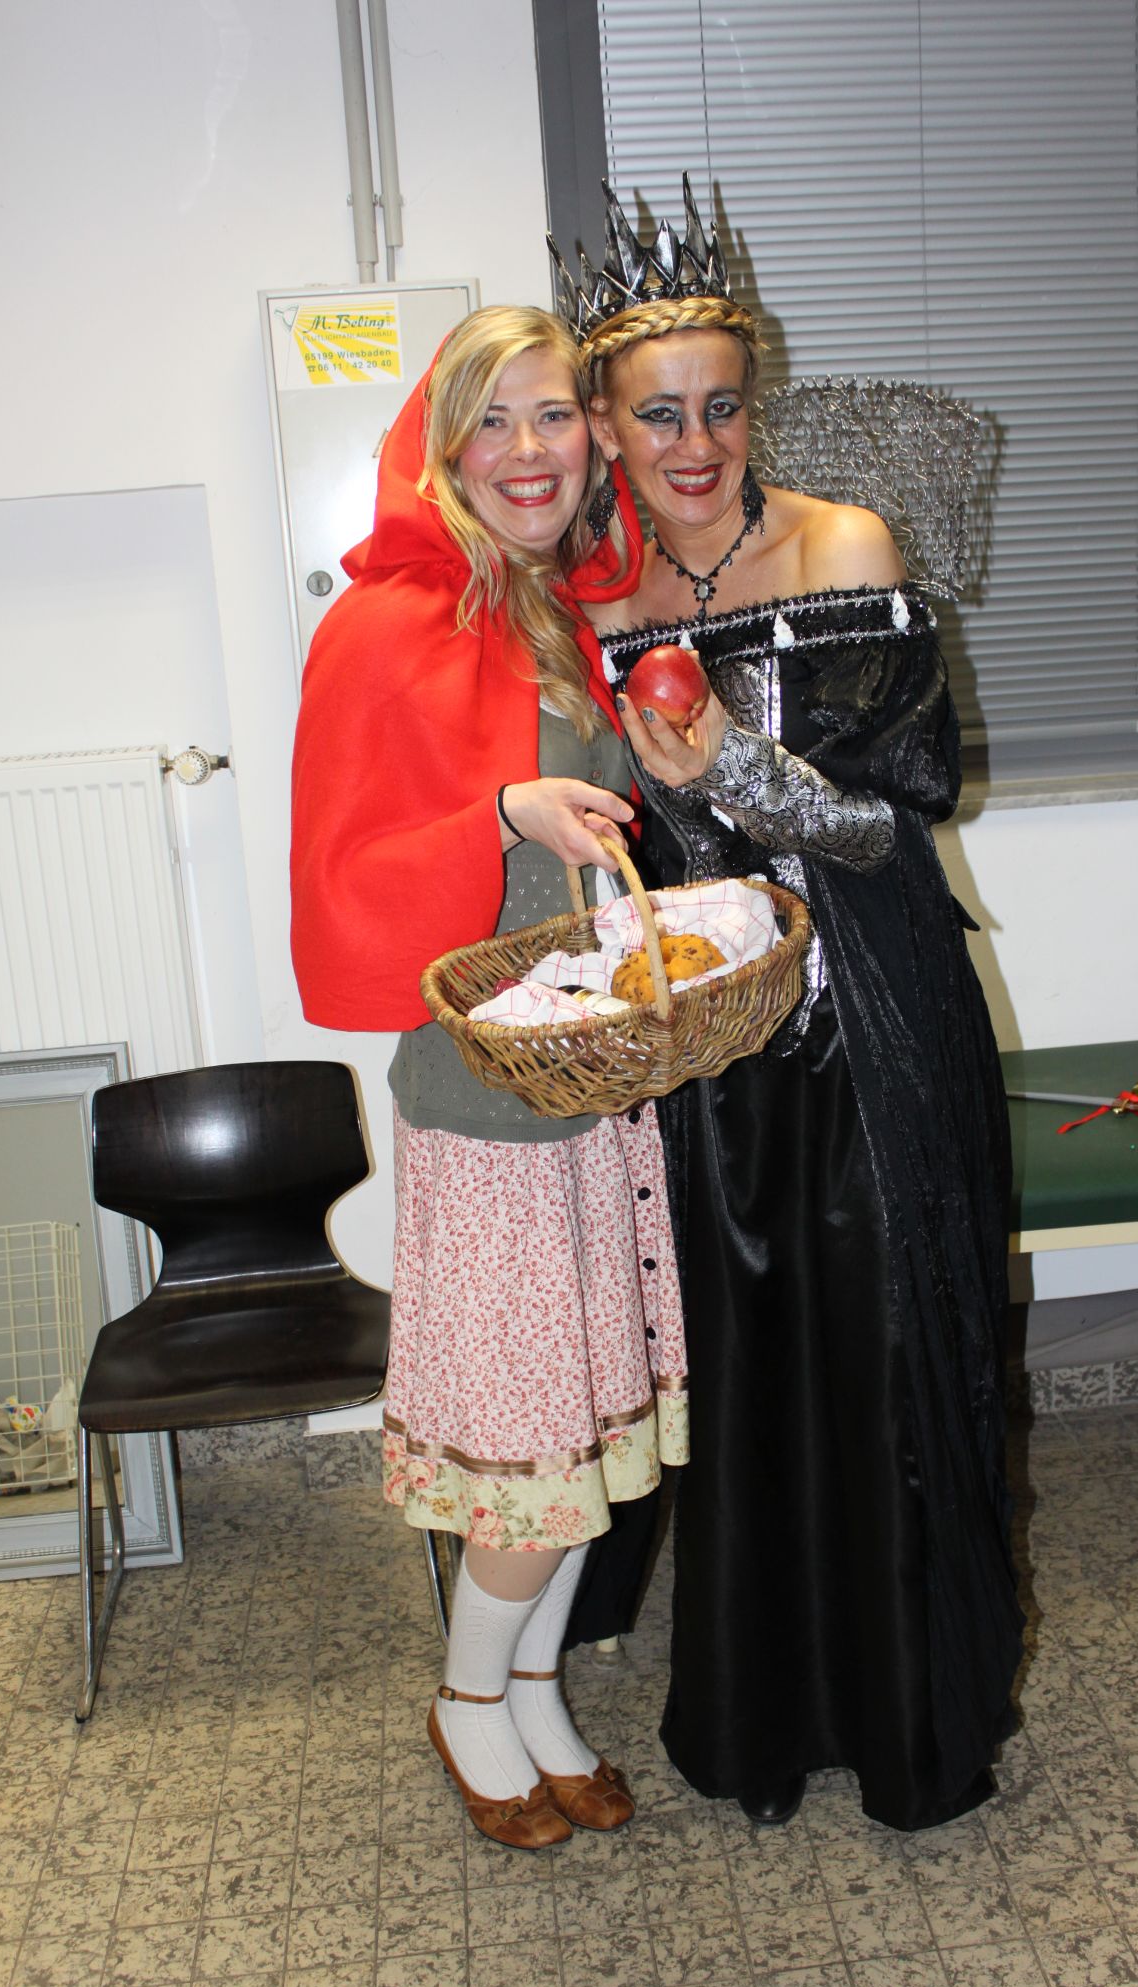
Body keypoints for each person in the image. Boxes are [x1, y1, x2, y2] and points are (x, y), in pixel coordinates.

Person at [558, 181, 1025, 1831]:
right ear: (605, 427)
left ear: (756, 404)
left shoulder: (844, 548)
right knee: (743, 1367)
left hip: (873, 1029)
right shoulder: (594, 607)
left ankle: (908, 1727)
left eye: (722, 406)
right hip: (712, 1056)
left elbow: (898, 815)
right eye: (657, 413)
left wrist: (730, 769)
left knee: (889, 1352)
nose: (695, 445)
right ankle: (758, 1721)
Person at [290, 305, 687, 1851]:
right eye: (495, 420)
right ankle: (468, 1702)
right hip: (487, 1098)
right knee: (532, 1447)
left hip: (587, 1078)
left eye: (556, 415)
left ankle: (532, 1693)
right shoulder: (383, 624)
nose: (532, 450)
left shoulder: (553, 607)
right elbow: (344, 871)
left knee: (580, 1433)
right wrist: (501, 815)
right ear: (443, 448)